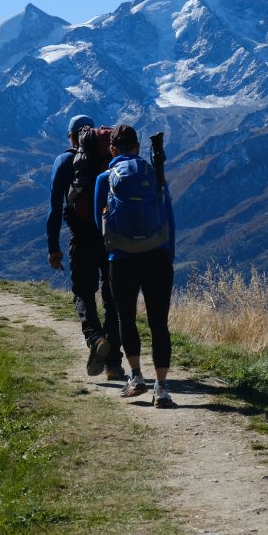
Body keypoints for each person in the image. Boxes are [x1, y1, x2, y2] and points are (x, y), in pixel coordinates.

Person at [93, 124, 176, 408]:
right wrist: (168, 254)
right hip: (158, 256)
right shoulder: (155, 174)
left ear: (112, 149)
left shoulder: (105, 178)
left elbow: (99, 221)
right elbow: (168, 217)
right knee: (158, 323)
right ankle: (161, 388)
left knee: (126, 318)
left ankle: (137, 377)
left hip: (122, 259)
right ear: (138, 147)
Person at [46, 114, 125, 379]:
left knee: (83, 291)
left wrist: (53, 247)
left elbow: (54, 208)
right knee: (112, 296)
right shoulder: (111, 156)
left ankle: (94, 337)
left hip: (82, 236)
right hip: (112, 235)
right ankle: (114, 364)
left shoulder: (64, 161)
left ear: (72, 137)